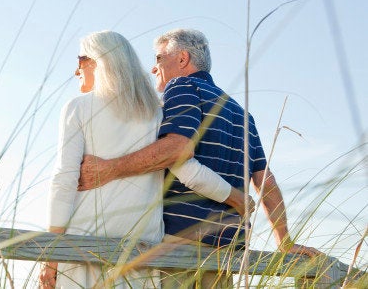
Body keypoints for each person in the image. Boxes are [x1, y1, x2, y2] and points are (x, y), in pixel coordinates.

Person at [77, 28, 322, 287]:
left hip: (181, 242)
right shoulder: (242, 114)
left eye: (159, 58)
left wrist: (111, 168)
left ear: (182, 59)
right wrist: (284, 241)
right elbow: (266, 181)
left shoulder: (182, 86)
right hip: (228, 247)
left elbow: (178, 149)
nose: (153, 68)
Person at [39, 30, 253, 289]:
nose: (76, 71)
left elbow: (63, 182)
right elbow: (188, 170)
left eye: (80, 60)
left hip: (85, 246)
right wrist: (235, 197)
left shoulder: (78, 108)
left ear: (98, 60)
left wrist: (50, 257)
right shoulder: (157, 113)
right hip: (142, 251)